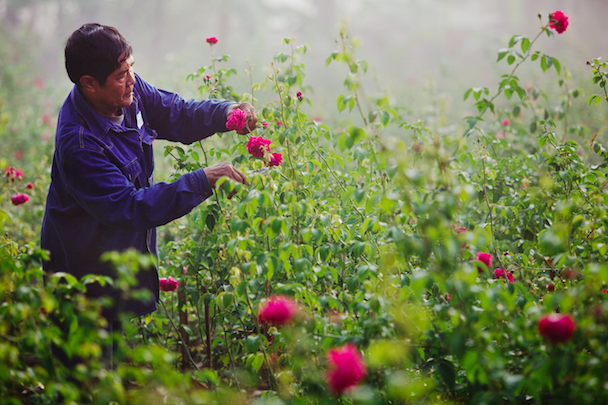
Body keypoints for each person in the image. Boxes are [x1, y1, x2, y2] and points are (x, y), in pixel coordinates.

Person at [40, 24, 254, 335]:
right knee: (87, 372)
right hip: (80, 271)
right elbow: (129, 206)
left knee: (111, 370)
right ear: (90, 84)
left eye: (131, 68)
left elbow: (176, 113)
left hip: (113, 258)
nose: (131, 80)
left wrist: (227, 113)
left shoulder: (128, 92)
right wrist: (202, 180)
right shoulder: (81, 144)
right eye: (120, 75)